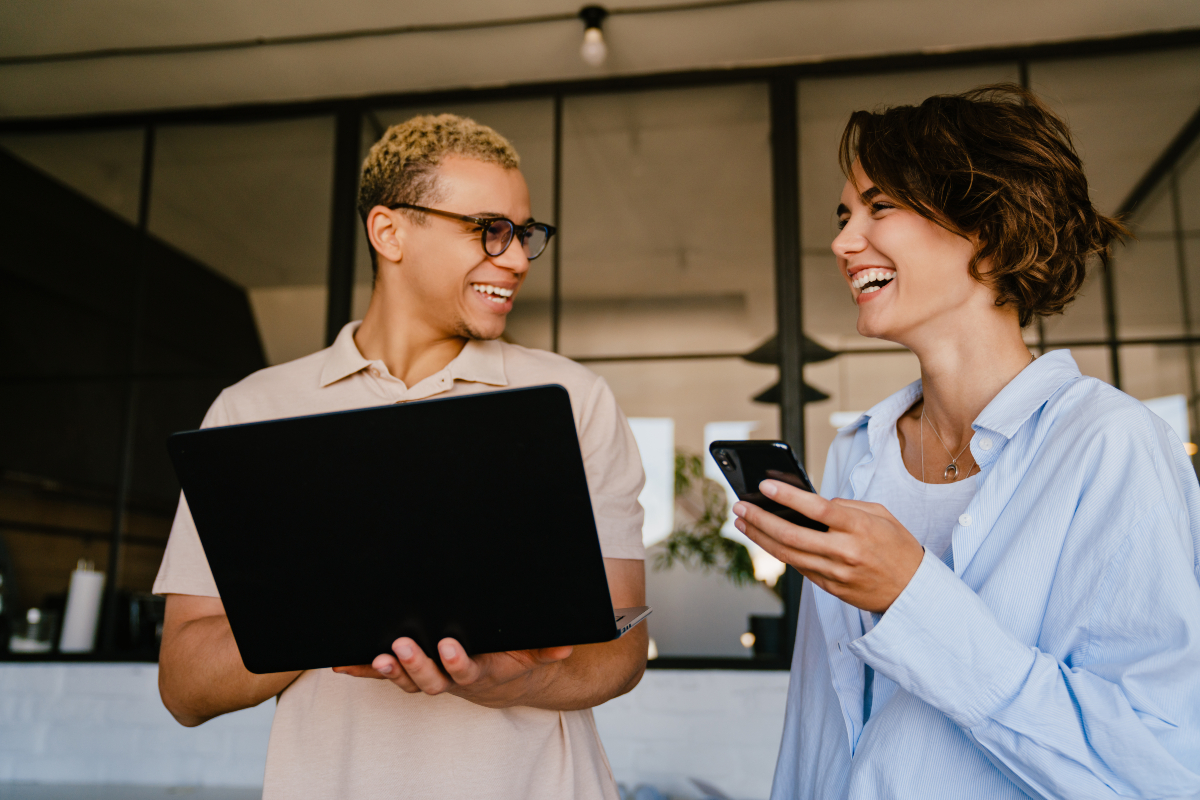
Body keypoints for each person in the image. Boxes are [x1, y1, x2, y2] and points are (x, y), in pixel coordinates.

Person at [154, 114, 649, 800]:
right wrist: (334, 607)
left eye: (524, 234)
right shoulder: (253, 411)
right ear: (389, 232)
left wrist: (517, 681)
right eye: (488, 229)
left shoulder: (573, 400)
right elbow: (183, 685)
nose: (513, 259)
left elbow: (622, 647)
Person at [732, 86, 1200, 799]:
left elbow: (1158, 769)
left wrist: (913, 598)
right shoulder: (857, 453)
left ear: (988, 224)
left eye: (879, 206)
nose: (841, 242)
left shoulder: (1110, 447)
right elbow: (818, 724)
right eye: (843, 215)